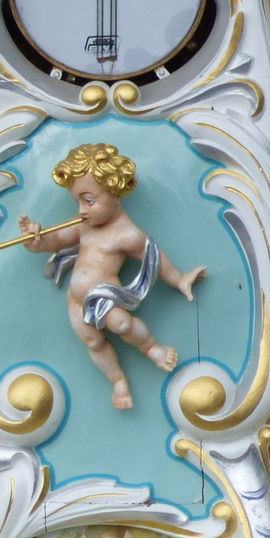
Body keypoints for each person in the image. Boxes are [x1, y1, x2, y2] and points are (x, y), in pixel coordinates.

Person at [18, 142, 206, 411]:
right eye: (77, 201)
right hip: (76, 299)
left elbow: (153, 256)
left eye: (89, 201)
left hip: (105, 296)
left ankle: (152, 348)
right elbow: (57, 240)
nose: (81, 209)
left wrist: (179, 279)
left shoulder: (127, 234)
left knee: (121, 324)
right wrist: (36, 241)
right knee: (93, 341)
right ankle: (118, 380)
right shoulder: (84, 225)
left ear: (115, 194)